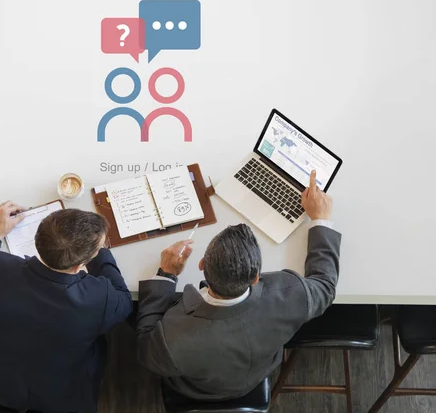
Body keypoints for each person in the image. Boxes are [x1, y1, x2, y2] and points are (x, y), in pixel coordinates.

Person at [136, 170, 341, 401]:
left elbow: (145, 347)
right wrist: (320, 219)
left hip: (195, 387)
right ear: (255, 277)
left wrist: (166, 275)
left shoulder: (172, 336)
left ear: (202, 265)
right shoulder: (290, 295)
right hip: (258, 372)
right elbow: (325, 286)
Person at [0, 203, 133, 413]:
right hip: (62, 397)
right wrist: (98, 251)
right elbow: (124, 301)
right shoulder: (99, 297)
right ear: (78, 265)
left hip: (2, 384)